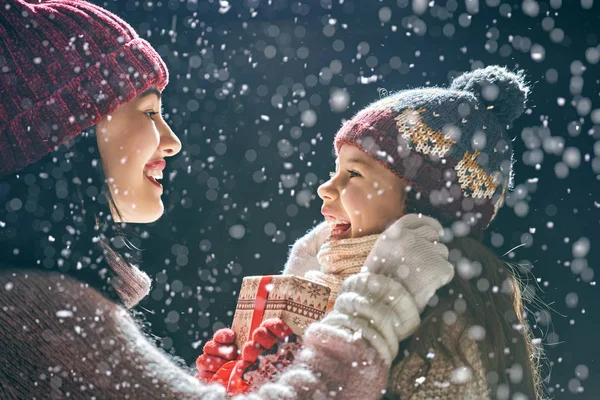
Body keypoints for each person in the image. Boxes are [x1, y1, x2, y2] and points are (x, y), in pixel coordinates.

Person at [0, 1, 456, 398]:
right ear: (68, 130)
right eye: (149, 112)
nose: (172, 141)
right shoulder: (34, 311)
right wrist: (377, 310)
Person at [197, 66, 545, 399]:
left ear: (421, 209)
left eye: (355, 173)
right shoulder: (325, 287)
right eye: (335, 170)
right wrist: (238, 385)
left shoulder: (449, 327)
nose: (325, 188)